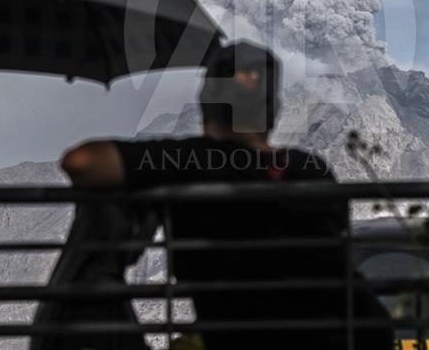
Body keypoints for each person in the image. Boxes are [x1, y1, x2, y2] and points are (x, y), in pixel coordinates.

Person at [60, 41, 393, 350]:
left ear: (207, 106)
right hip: (356, 335)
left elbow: (82, 162)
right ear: (272, 113)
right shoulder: (312, 168)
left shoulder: (191, 160)